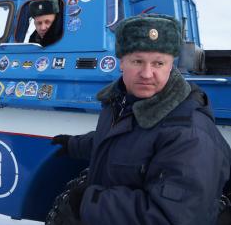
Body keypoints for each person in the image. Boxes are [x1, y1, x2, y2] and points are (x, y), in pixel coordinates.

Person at [50, 14, 231, 224]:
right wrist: (74, 144)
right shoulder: (121, 101)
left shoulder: (189, 132)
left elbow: (171, 218)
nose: (147, 73)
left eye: (158, 63)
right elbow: (123, 141)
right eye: (137, 61)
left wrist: (87, 203)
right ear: (121, 63)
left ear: (171, 65)